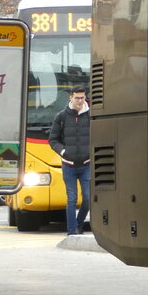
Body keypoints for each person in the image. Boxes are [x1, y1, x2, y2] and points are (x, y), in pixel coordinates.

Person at [49, 87, 91, 235]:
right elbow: (53, 140)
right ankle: (71, 232)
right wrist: (64, 152)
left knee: (88, 198)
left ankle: (78, 224)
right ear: (70, 98)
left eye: (82, 98)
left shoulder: (90, 115)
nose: (80, 101)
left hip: (87, 165)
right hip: (69, 166)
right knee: (71, 199)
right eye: (77, 98)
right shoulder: (61, 117)